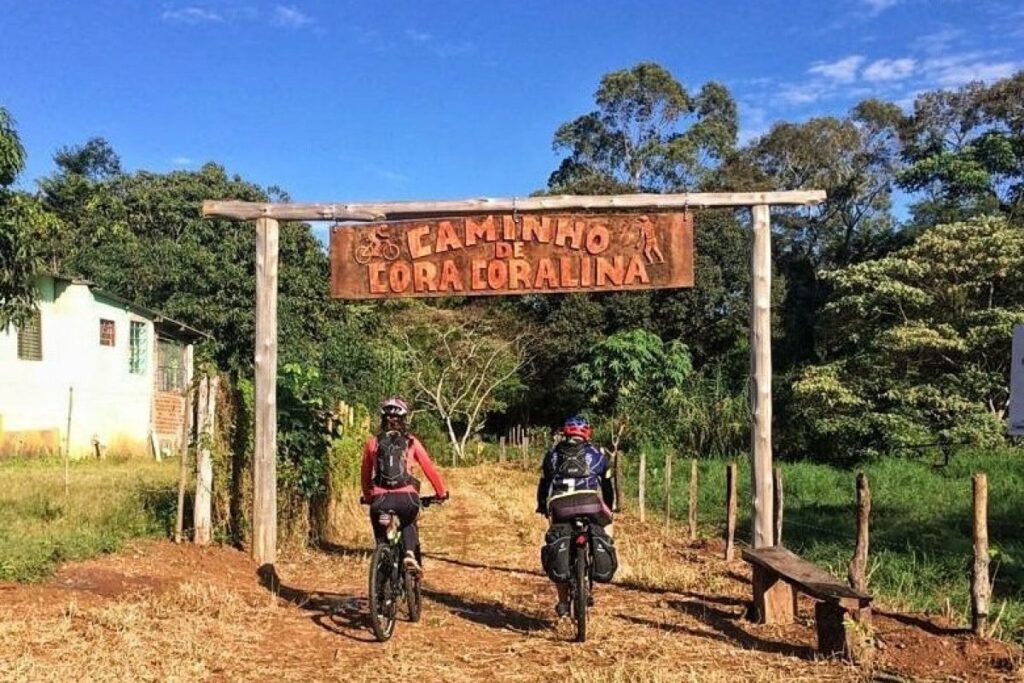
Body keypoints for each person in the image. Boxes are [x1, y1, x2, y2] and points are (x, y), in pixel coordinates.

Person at [536, 415, 614, 617]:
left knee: (557, 543)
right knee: (607, 525)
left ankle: (562, 602)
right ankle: (603, 551)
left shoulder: (552, 455)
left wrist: (542, 507)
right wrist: (609, 508)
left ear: (565, 433)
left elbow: (544, 485)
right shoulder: (598, 454)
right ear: (587, 433)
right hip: (591, 504)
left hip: (560, 507)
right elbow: (607, 487)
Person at [361, 397, 448, 576]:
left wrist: (369, 497)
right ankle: (409, 553)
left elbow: (365, 475)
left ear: (382, 419)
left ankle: (382, 564)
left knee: (382, 533)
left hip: (381, 502)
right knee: (408, 521)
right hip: (406, 500)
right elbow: (429, 469)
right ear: (403, 419)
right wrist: (441, 493)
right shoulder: (411, 442)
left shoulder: (373, 443)